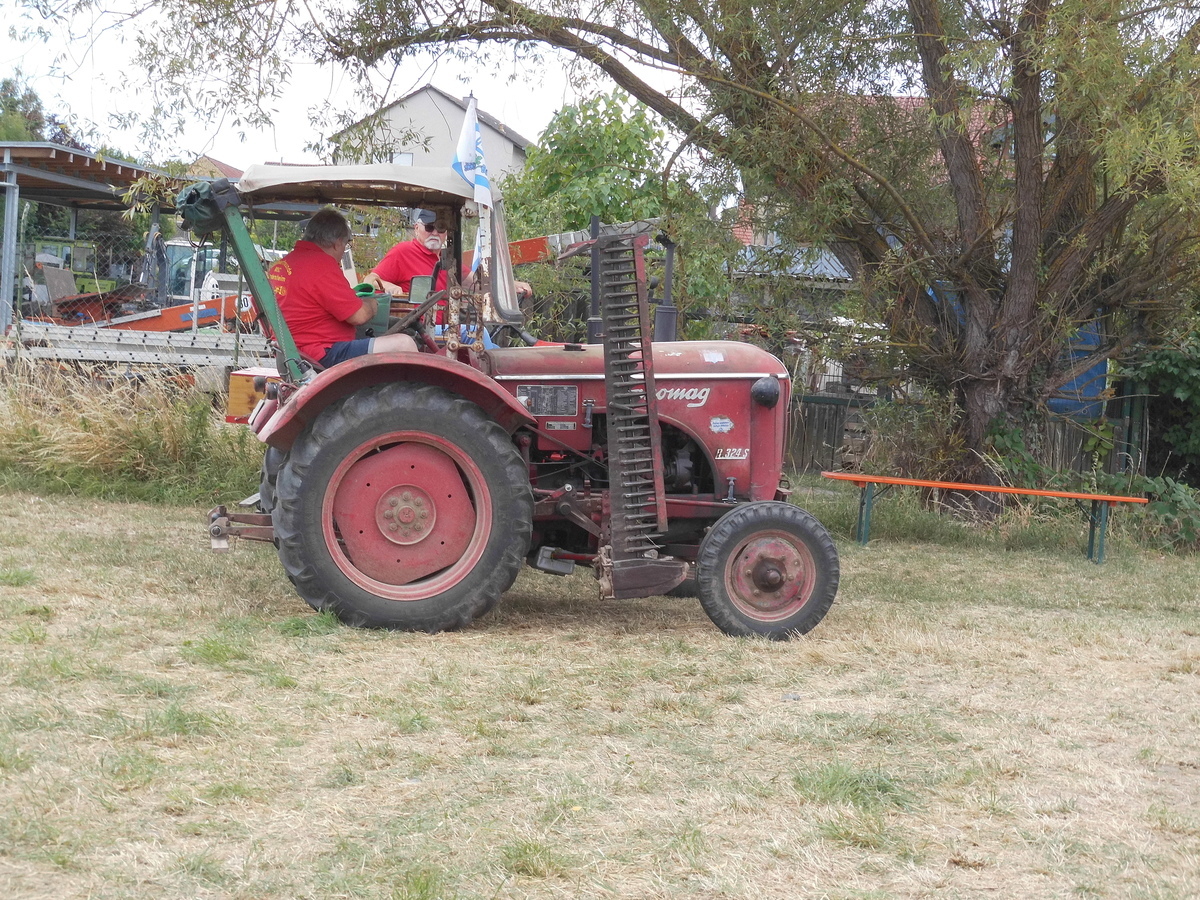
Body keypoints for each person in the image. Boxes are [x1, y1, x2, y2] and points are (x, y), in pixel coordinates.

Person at [268, 208, 416, 368]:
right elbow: (359, 316)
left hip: (289, 354)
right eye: (345, 245)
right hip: (319, 355)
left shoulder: (281, 266)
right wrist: (372, 305)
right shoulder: (322, 267)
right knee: (404, 343)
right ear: (337, 243)